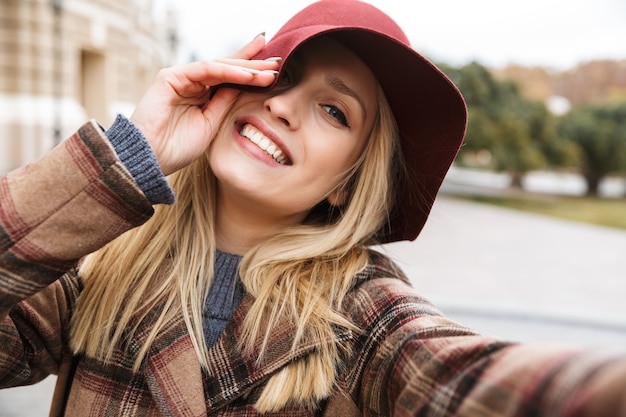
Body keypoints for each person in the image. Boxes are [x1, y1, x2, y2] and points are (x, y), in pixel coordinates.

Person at [1, 0, 625, 415]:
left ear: (348, 183)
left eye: (335, 110)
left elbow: (468, 383)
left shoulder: (364, 314)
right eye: (278, 75)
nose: (283, 105)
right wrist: (129, 158)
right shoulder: (102, 262)